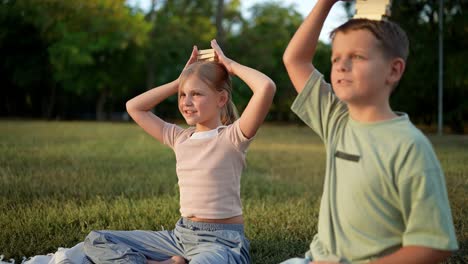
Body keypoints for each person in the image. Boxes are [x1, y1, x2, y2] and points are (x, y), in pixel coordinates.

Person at [281, 0, 458, 263]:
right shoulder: (336, 120)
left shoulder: (409, 146)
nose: (341, 66)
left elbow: (434, 245)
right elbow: (294, 59)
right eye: (336, 58)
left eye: (357, 57)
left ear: (394, 70)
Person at [82, 39, 276, 264]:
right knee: (97, 239)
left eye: (197, 94)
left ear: (221, 99)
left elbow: (266, 87)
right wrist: (179, 81)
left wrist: (230, 65)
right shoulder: (179, 138)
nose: (187, 102)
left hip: (220, 242)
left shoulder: (232, 137)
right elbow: (134, 107)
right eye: (182, 95)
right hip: (180, 236)